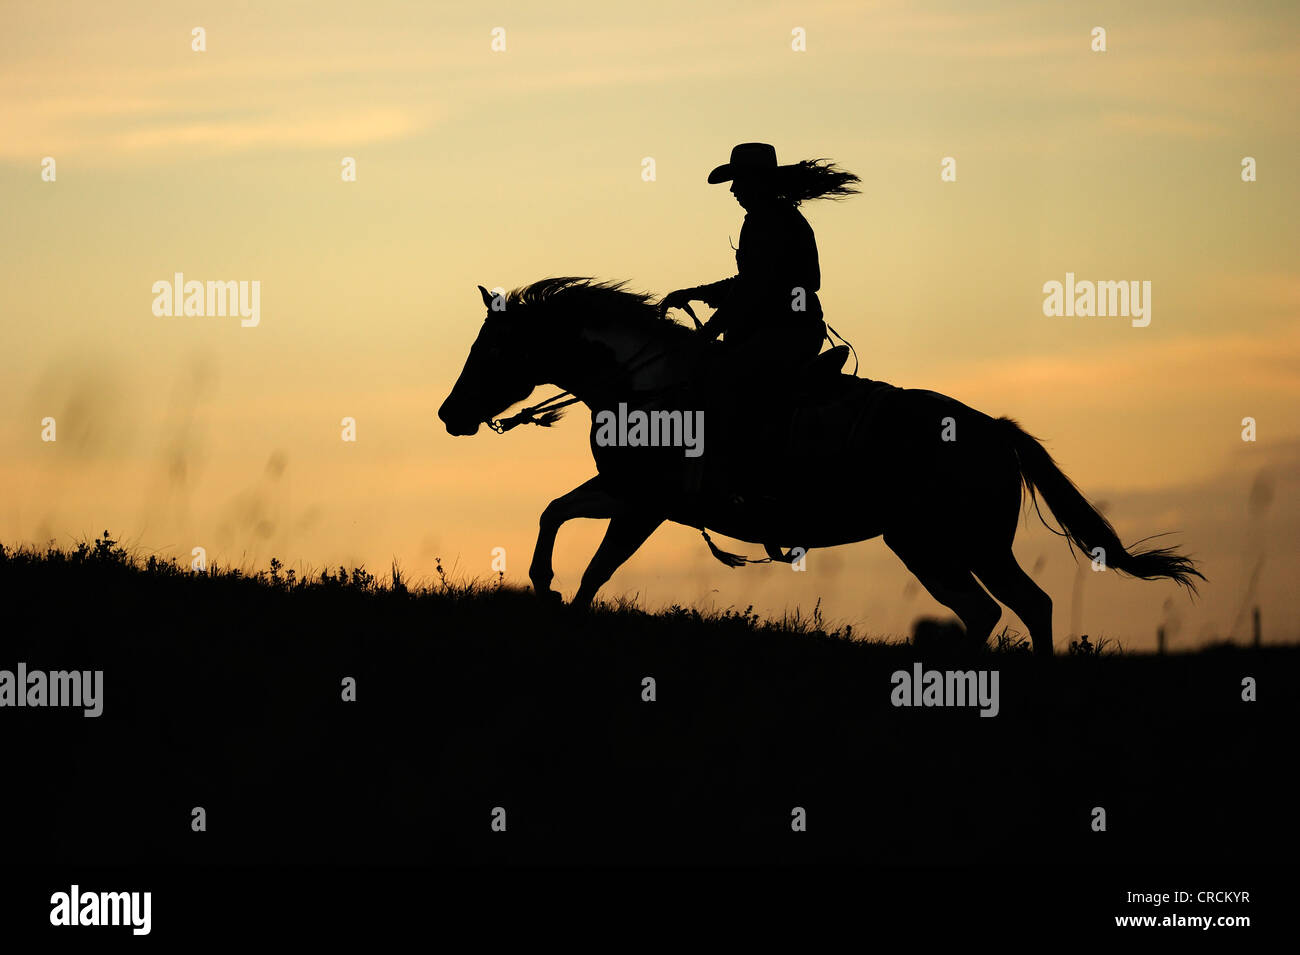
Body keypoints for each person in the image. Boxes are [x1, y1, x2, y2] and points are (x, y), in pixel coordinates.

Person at [660, 143, 860, 389]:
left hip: (783, 334)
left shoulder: (769, 221)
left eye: (738, 180)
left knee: (722, 382)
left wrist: (706, 333)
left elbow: (750, 287)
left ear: (756, 181)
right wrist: (695, 294)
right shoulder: (774, 217)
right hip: (792, 330)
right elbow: (752, 282)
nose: (733, 189)